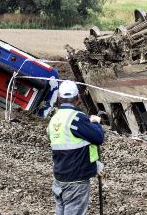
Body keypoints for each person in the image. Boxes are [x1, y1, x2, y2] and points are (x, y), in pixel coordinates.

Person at [47, 80, 105, 215]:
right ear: (78, 98)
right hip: (76, 181)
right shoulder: (76, 118)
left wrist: (94, 165)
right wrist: (96, 123)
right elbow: (98, 137)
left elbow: (69, 147)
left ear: (59, 98)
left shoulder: (54, 119)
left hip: (60, 177)